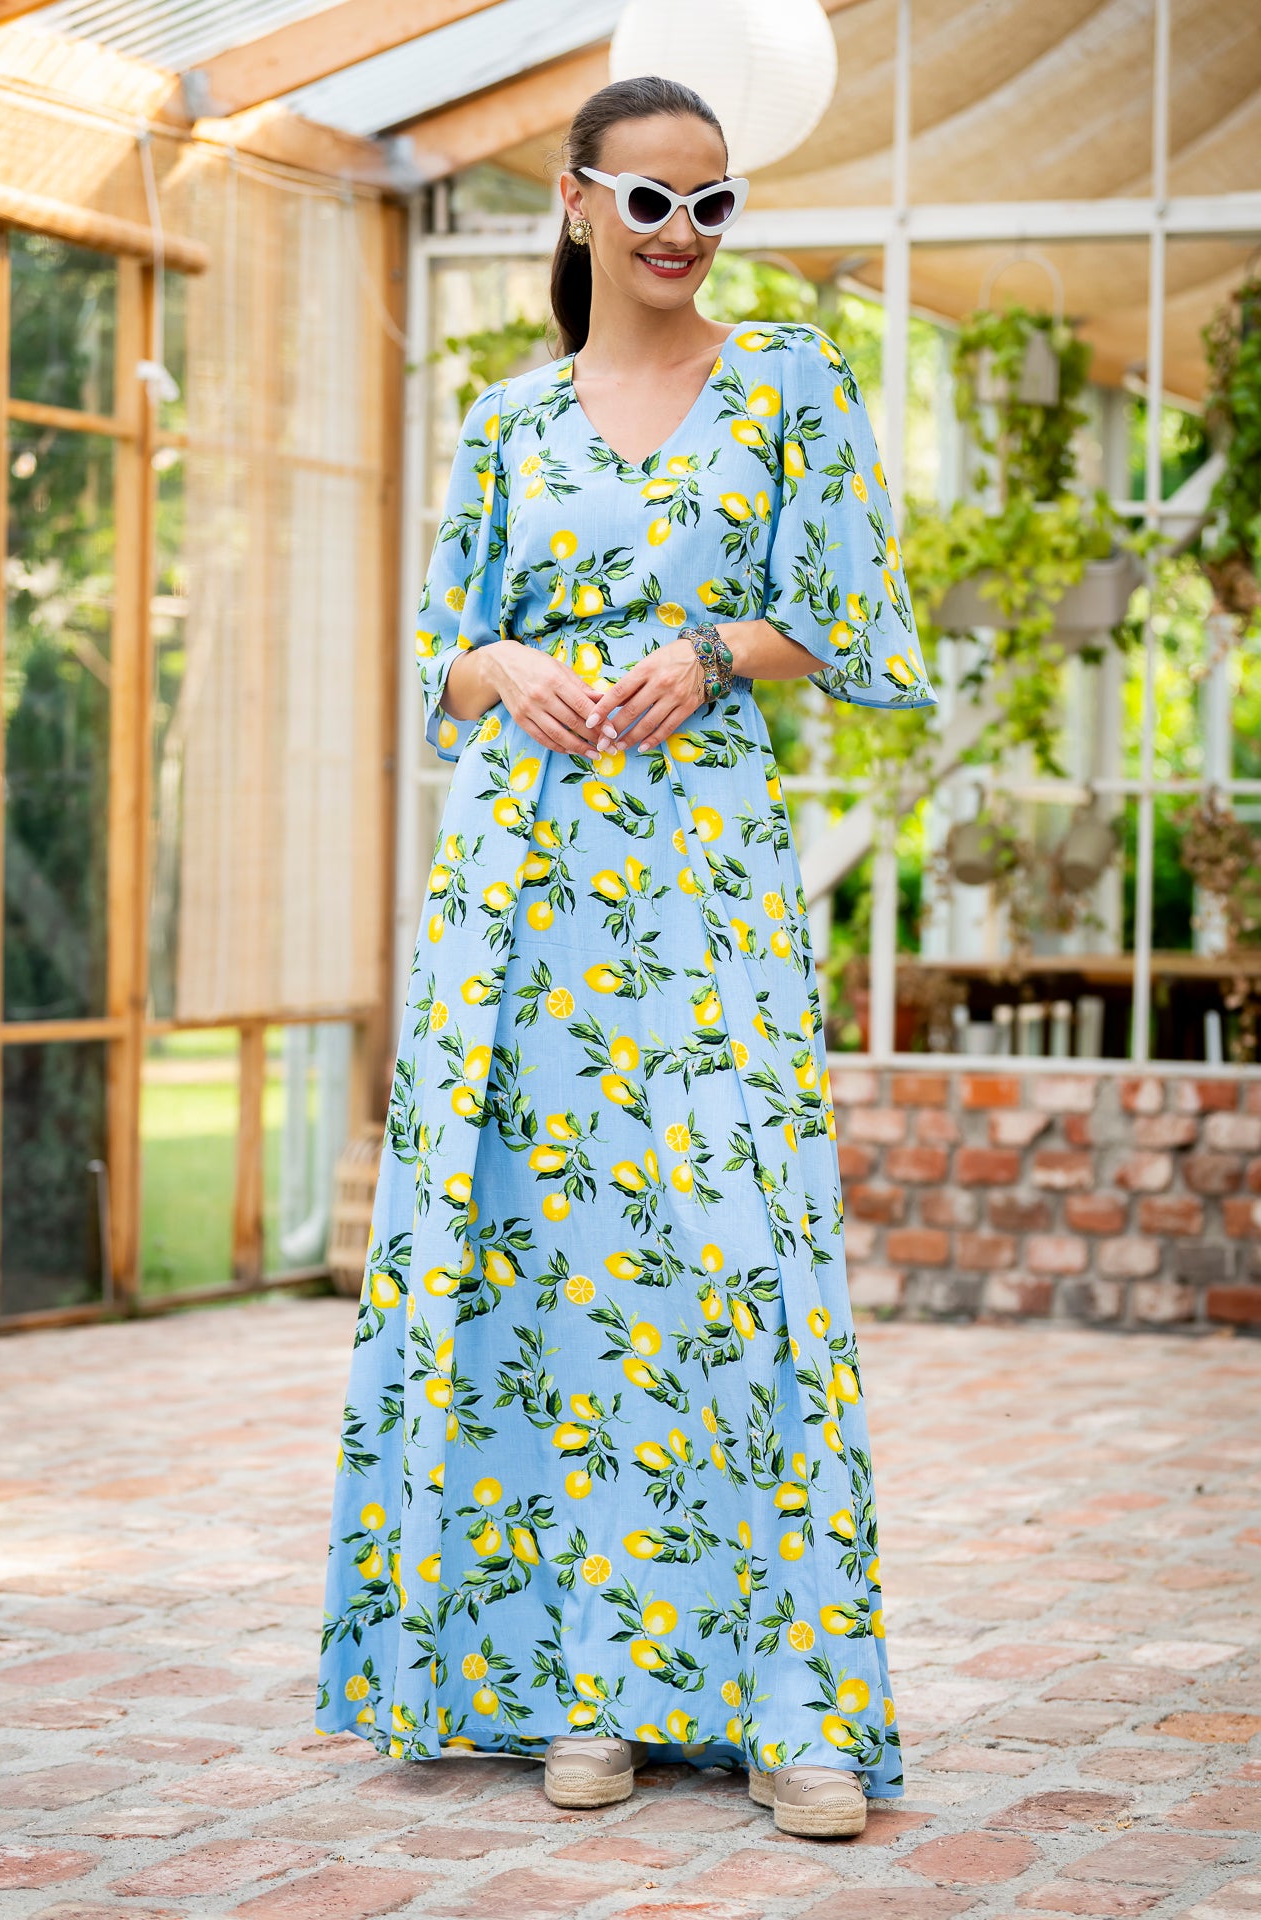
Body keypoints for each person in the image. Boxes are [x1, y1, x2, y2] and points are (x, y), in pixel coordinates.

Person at [316, 73, 935, 1841]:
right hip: (523, 878)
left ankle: (796, 1712)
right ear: (579, 202)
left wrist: (719, 652)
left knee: (741, 1255)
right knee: (552, 1266)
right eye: (651, 200)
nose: (682, 234)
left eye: (712, 203)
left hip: (705, 868)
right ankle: (578, 1692)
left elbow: (859, 618)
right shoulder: (507, 419)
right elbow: (438, 650)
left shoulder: (792, 382)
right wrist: (502, 667)